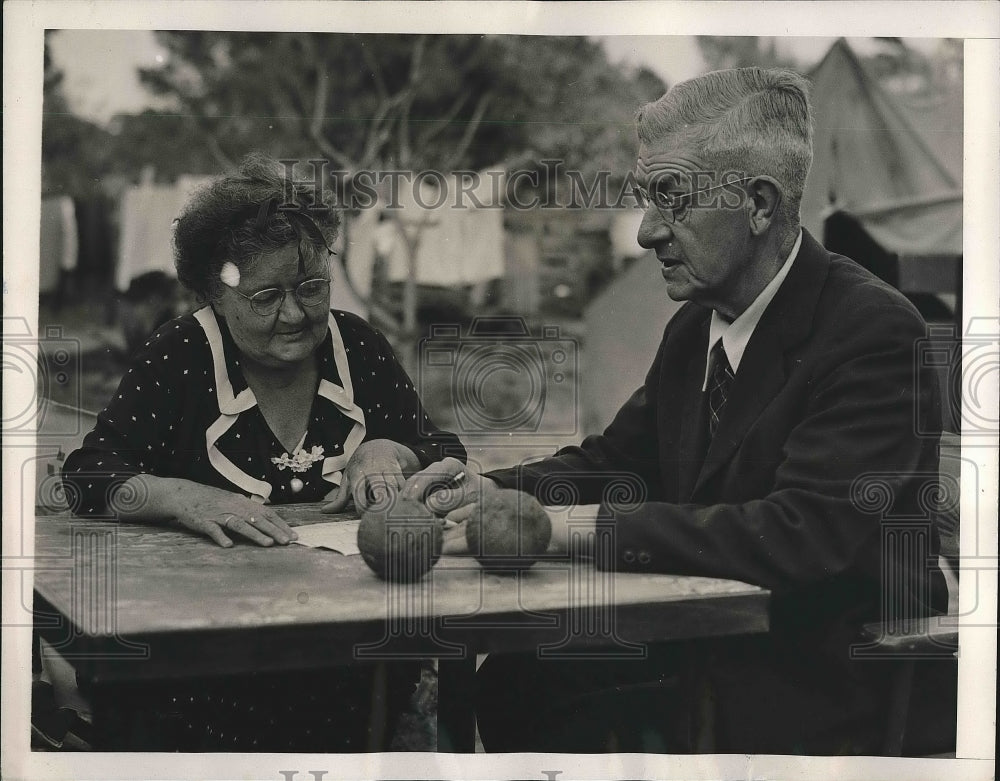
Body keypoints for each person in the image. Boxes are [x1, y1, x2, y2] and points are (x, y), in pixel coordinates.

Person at [405, 67, 947, 754]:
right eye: (645, 198)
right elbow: (619, 461)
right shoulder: (699, 324)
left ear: (758, 203)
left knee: (544, 704)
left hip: (823, 683)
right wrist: (496, 487)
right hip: (715, 645)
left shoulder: (872, 332)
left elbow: (798, 534)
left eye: (672, 199)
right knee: (515, 679)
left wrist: (575, 529)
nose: (645, 232)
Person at [61, 153, 465, 751]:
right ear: (213, 294)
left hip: (347, 659)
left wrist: (389, 449)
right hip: (199, 668)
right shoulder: (180, 357)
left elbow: (441, 451)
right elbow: (89, 476)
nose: (295, 314)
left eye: (310, 287)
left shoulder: (357, 347)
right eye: (266, 296)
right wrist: (181, 496)